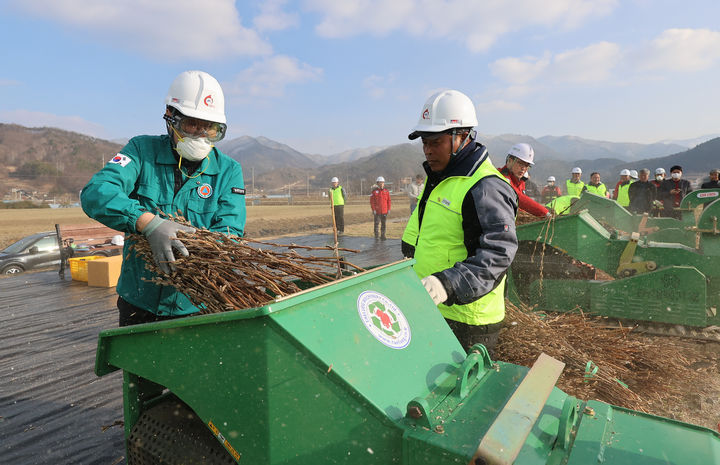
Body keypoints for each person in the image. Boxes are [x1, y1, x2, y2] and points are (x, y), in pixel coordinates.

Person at [81, 70, 246, 327]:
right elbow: (96, 192)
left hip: (195, 303)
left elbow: (231, 231)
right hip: (140, 301)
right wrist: (147, 223)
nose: (200, 135)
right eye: (192, 124)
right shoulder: (140, 151)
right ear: (171, 118)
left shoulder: (228, 171)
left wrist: (198, 252)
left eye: (210, 128)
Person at [401, 90, 518, 357]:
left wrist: (448, 283)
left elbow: (499, 253)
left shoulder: (485, 186)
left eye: (436, 142)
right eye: (424, 143)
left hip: (467, 320)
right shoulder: (441, 176)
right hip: (434, 307)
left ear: (462, 137)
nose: (428, 150)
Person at [498, 143, 550, 217]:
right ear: (510, 161)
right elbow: (518, 198)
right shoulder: (500, 178)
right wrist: (545, 212)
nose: (523, 168)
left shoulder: (520, 181)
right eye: (520, 163)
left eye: (527, 165)